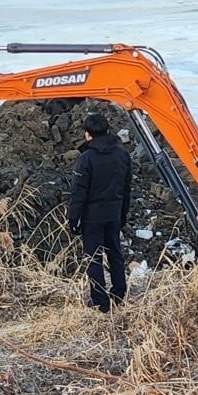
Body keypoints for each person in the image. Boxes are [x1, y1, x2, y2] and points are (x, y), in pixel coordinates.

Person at [67, 113, 131, 313]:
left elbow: (79, 192)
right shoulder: (122, 154)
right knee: (115, 254)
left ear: (88, 134)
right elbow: (127, 186)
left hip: (92, 216)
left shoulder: (87, 158)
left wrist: (73, 218)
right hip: (114, 212)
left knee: (93, 257)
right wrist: (123, 213)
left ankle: (100, 300)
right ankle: (119, 292)